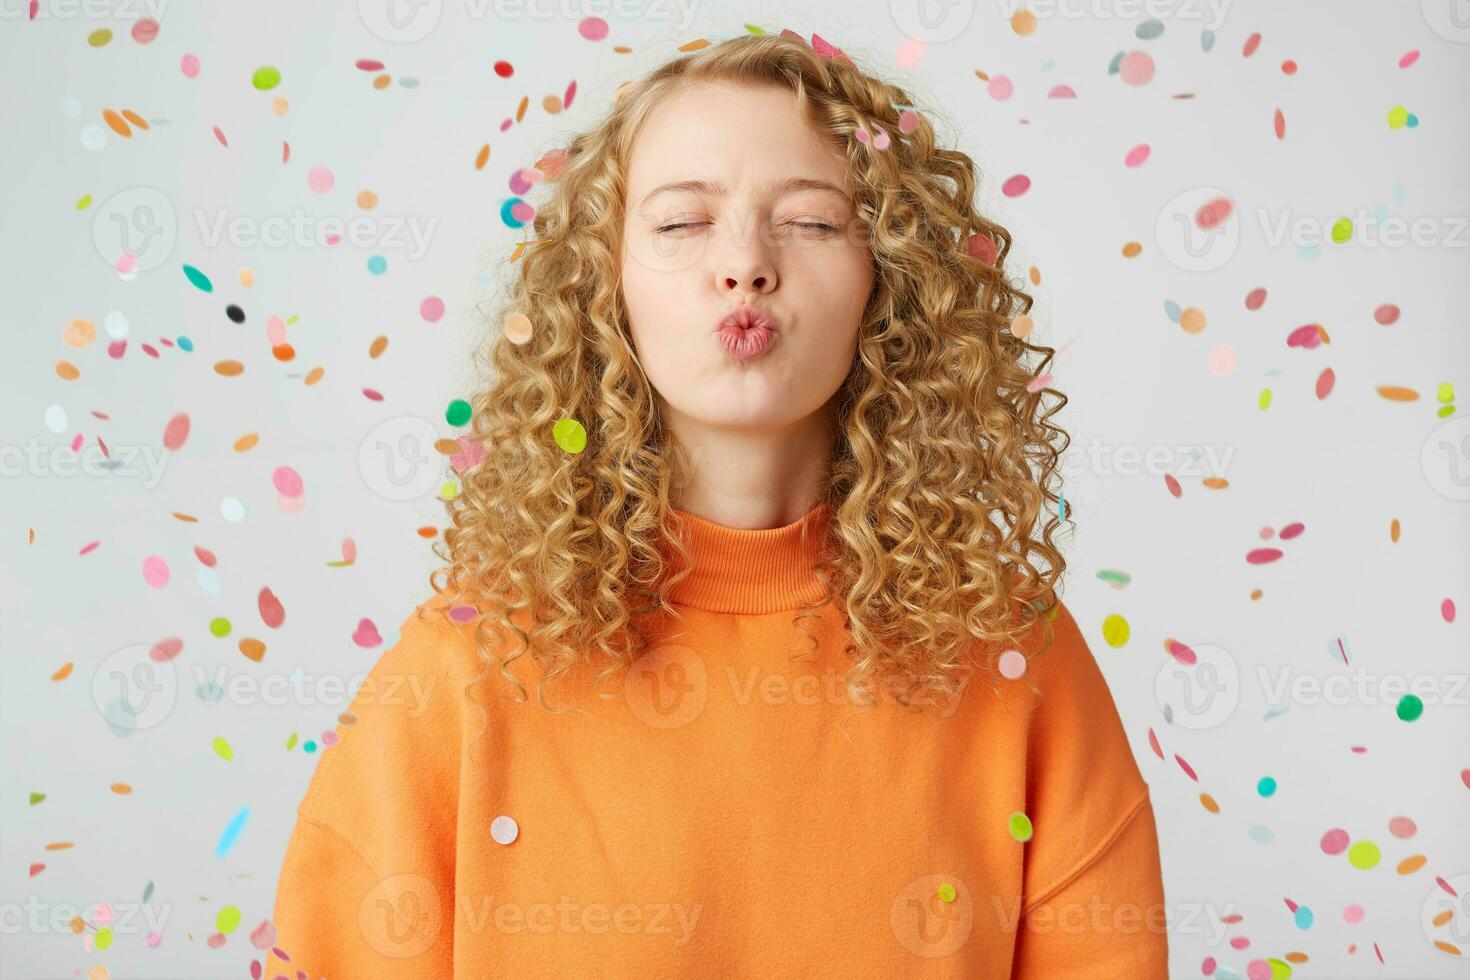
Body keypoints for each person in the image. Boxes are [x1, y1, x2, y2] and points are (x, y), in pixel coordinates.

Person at [262, 31, 1166, 978]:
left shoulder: (1016, 658)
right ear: (605, 285)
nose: (744, 264)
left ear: (890, 284)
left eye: (813, 222)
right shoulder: (460, 672)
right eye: (680, 222)